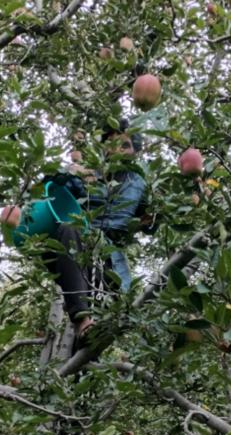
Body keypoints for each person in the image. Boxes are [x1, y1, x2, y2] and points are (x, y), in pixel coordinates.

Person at [40, 119, 155, 339]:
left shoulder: (139, 183)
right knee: (67, 228)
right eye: (112, 144)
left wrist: (152, 218)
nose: (118, 150)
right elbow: (51, 188)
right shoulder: (90, 174)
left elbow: (151, 223)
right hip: (80, 247)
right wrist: (72, 171)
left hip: (110, 258)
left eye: (125, 145)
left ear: (136, 152)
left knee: (125, 317)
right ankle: (82, 320)